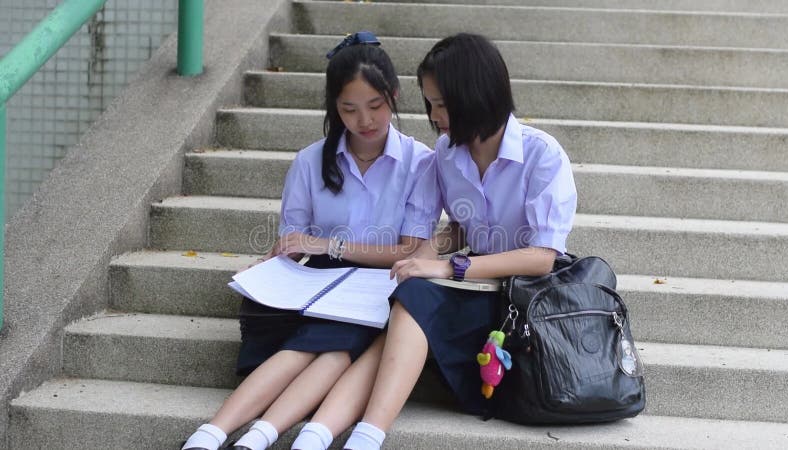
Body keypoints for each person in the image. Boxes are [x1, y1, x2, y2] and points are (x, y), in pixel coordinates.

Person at [180, 31, 440, 450]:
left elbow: (411, 249)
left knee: (332, 346)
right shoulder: (309, 161)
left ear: (393, 95)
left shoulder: (420, 163)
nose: (365, 120)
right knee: (319, 346)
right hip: (315, 285)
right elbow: (294, 239)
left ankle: (245, 434)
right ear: (334, 108)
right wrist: (272, 262)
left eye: (376, 106)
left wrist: (329, 246)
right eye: (349, 109)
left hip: (378, 285)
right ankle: (217, 434)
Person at [341, 33, 578, 450]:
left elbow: (542, 257)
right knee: (411, 292)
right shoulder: (448, 154)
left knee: (417, 299)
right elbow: (463, 230)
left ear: (477, 94)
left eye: (443, 104)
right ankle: (362, 433)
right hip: (475, 285)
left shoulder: (544, 155)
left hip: (524, 295)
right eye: (430, 103)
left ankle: (362, 431)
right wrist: (425, 254)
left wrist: (451, 266)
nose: (435, 116)